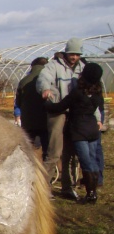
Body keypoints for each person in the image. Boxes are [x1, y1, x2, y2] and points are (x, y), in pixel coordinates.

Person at [44, 62, 105, 203]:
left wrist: (47, 104)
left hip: (79, 131)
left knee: (85, 162)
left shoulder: (77, 93)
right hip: (92, 130)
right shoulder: (97, 93)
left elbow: (60, 106)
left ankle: (90, 195)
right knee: (92, 160)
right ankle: (93, 192)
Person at [36, 38, 85, 199]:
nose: (74, 57)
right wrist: (45, 89)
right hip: (57, 112)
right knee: (54, 152)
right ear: (66, 53)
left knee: (71, 153)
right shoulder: (54, 66)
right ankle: (43, 187)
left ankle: (68, 187)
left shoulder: (82, 68)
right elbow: (43, 78)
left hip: (75, 114)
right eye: (72, 54)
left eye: (77, 54)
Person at [14, 57, 49, 156]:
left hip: (28, 120)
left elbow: (18, 102)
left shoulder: (24, 80)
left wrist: (18, 114)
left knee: (28, 149)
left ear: (32, 66)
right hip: (45, 120)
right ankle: (47, 169)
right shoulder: (49, 79)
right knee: (47, 149)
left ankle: (31, 168)